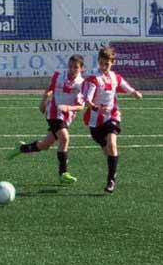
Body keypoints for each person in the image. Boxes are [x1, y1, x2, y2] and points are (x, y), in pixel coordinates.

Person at [7, 54, 85, 183]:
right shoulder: (59, 77)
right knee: (64, 138)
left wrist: (68, 108)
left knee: (44, 145)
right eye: (70, 66)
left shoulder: (82, 84)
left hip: (66, 117)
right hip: (53, 112)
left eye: (76, 67)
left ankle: (22, 148)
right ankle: (63, 173)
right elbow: (50, 90)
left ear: (81, 69)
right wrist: (43, 101)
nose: (72, 70)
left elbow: (81, 106)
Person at [82, 47, 143, 193]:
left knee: (112, 144)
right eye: (101, 63)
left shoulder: (116, 77)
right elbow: (87, 101)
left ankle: (110, 181)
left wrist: (134, 93)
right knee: (108, 152)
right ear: (98, 62)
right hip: (95, 122)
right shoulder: (93, 79)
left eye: (107, 64)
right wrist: (97, 109)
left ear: (112, 63)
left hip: (112, 116)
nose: (103, 67)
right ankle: (113, 169)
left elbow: (126, 86)